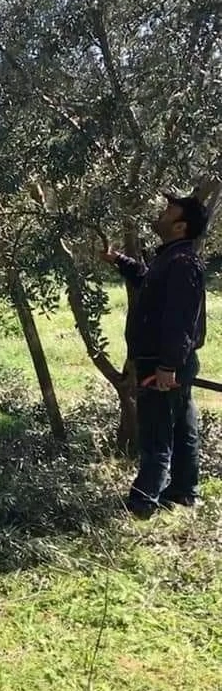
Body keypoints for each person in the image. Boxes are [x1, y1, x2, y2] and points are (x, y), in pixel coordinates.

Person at [100, 192, 208, 519]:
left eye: (169, 210)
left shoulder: (182, 263)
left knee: (156, 432)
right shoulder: (172, 259)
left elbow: (180, 319)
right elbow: (149, 282)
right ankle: (184, 494)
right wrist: (119, 260)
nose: (162, 212)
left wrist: (167, 366)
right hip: (168, 362)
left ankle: (142, 503)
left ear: (180, 226)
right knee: (181, 426)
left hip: (163, 363)